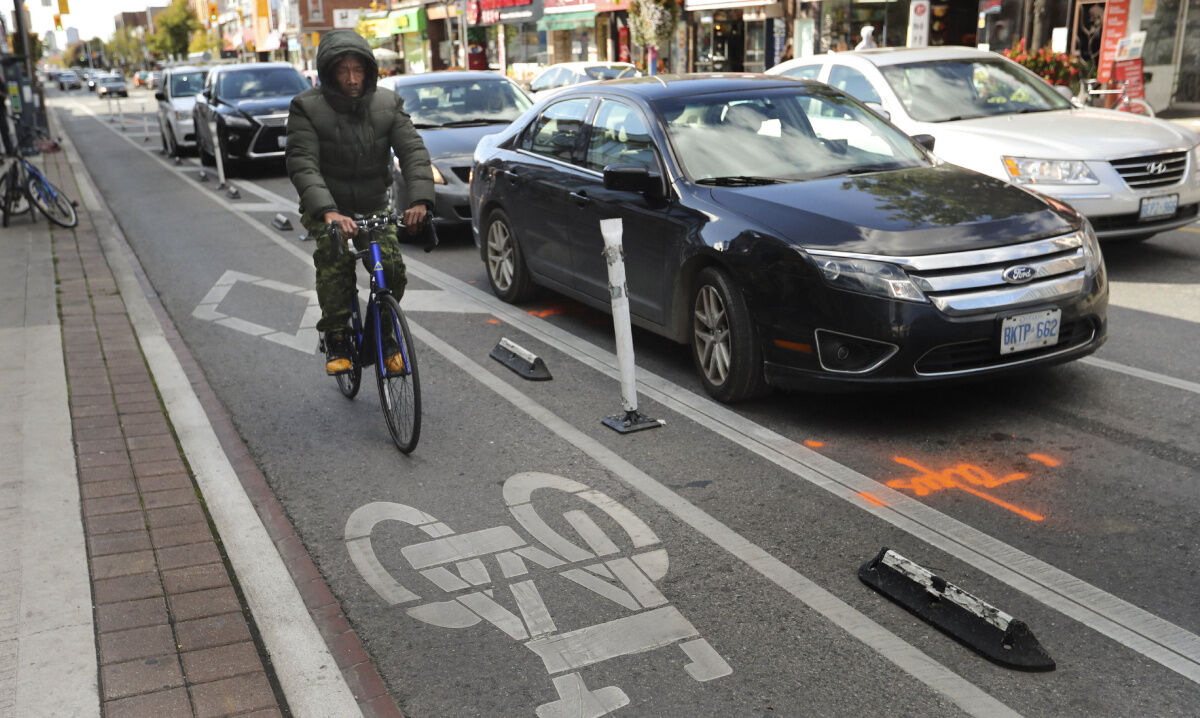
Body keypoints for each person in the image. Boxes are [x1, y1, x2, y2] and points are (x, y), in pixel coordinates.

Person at [286, 29, 435, 376]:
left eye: (358, 70)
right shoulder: (306, 108)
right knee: (335, 263)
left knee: (392, 270)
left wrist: (421, 201)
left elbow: (412, 151)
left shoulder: (387, 104)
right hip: (328, 208)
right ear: (328, 73)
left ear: (369, 70)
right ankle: (337, 337)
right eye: (343, 70)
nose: (352, 79)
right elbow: (302, 162)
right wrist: (329, 212)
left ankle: (385, 337)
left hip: (373, 203)